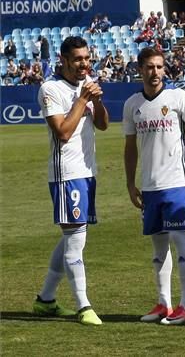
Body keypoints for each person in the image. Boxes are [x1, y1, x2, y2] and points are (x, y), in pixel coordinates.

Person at [123, 47, 185, 325]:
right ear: (140, 69)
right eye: (150, 67)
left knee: (180, 241)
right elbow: (130, 148)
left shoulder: (179, 98)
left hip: (178, 183)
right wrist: (130, 183)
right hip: (150, 187)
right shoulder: (132, 105)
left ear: (165, 69)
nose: (155, 73)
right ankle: (164, 303)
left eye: (159, 67)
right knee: (158, 249)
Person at [34, 36, 108, 326]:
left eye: (87, 59)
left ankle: (46, 300)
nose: (84, 64)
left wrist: (97, 101)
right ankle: (84, 306)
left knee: (72, 238)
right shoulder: (50, 89)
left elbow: (102, 124)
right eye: (78, 59)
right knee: (76, 240)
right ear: (63, 60)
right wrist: (82, 100)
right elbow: (62, 132)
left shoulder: (86, 84)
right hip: (66, 174)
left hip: (87, 172)